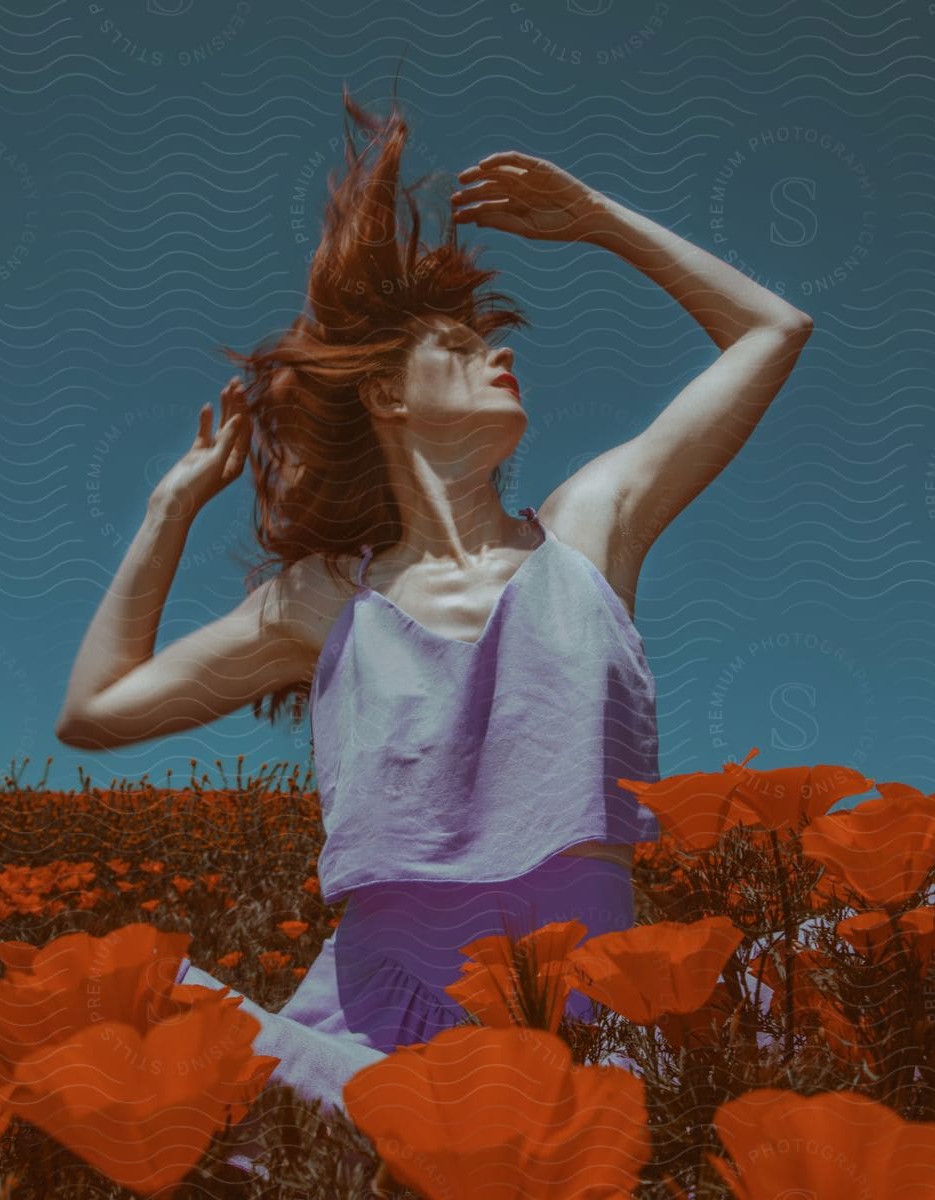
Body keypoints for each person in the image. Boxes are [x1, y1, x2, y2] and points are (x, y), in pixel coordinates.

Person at [54, 86, 815, 1185]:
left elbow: (773, 331)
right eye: (455, 347)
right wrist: (171, 507)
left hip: (591, 1013)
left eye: (490, 341)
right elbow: (93, 713)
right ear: (384, 397)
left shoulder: (591, 530)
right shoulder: (325, 602)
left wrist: (598, 217)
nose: (497, 356)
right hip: (370, 1030)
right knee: (112, 1004)